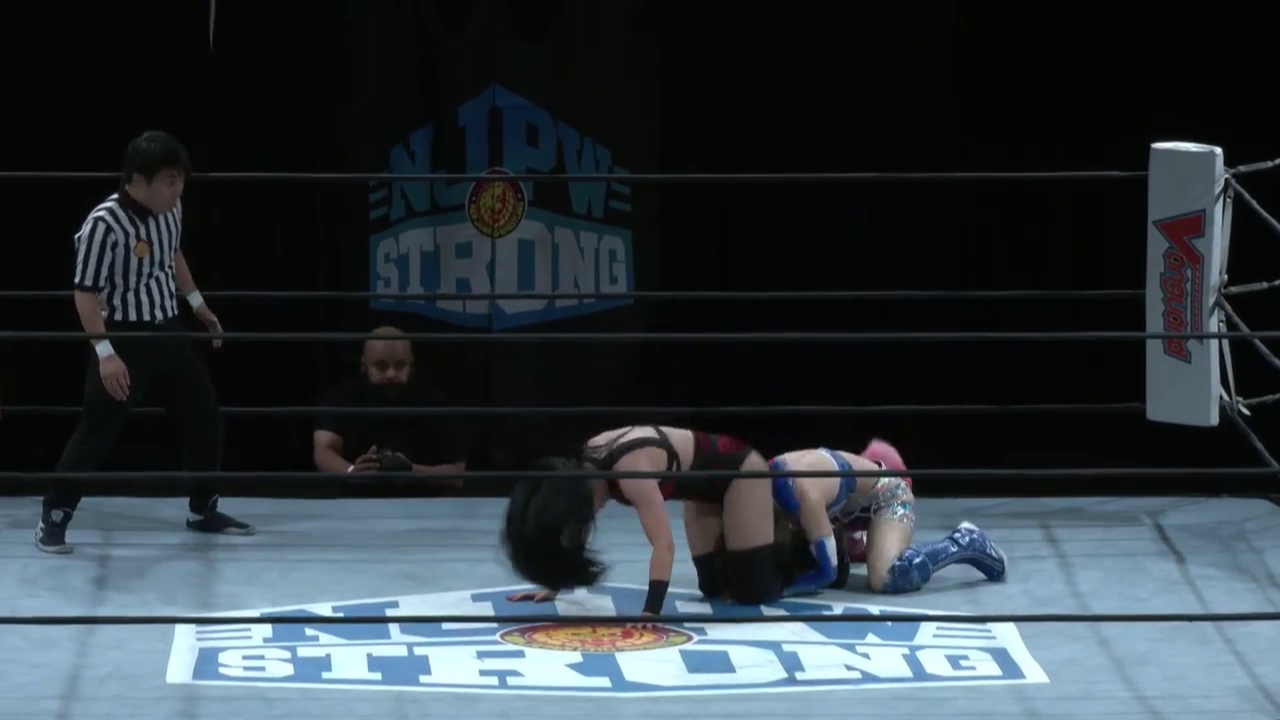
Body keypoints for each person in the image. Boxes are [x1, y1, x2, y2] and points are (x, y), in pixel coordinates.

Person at [37, 130, 254, 554]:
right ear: (139, 179)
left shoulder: (171, 210)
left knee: (204, 417)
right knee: (97, 430)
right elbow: (84, 294)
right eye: (170, 181)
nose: (178, 190)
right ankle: (53, 516)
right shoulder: (104, 224)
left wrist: (197, 304)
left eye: (181, 181)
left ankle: (202, 509)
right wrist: (105, 353)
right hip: (121, 335)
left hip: (167, 328)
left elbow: (173, 254)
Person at [502, 426, 782, 617]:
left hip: (740, 472)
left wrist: (650, 612)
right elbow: (576, 527)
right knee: (715, 588)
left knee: (753, 592)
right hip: (700, 494)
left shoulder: (630, 469)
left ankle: (796, 542)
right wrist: (554, 584)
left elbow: (663, 543)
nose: (590, 520)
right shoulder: (585, 473)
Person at [769, 439, 1006, 593]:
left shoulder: (803, 496)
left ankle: (965, 542)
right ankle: (859, 543)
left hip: (890, 498)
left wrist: (784, 592)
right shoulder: (767, 475)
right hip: (849, 509)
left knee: (888, 576)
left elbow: (826, 573)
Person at [313, 326, 468, 486]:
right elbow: (324, 451)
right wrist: (352, 471)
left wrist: (412, 471)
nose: (391, 374)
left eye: (400, 366)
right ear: (364, 366)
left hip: (418, 498)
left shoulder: (433, 402)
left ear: (410, 365)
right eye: (381, 366)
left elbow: (457, 473)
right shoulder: (342, 398)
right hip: (357, 498)